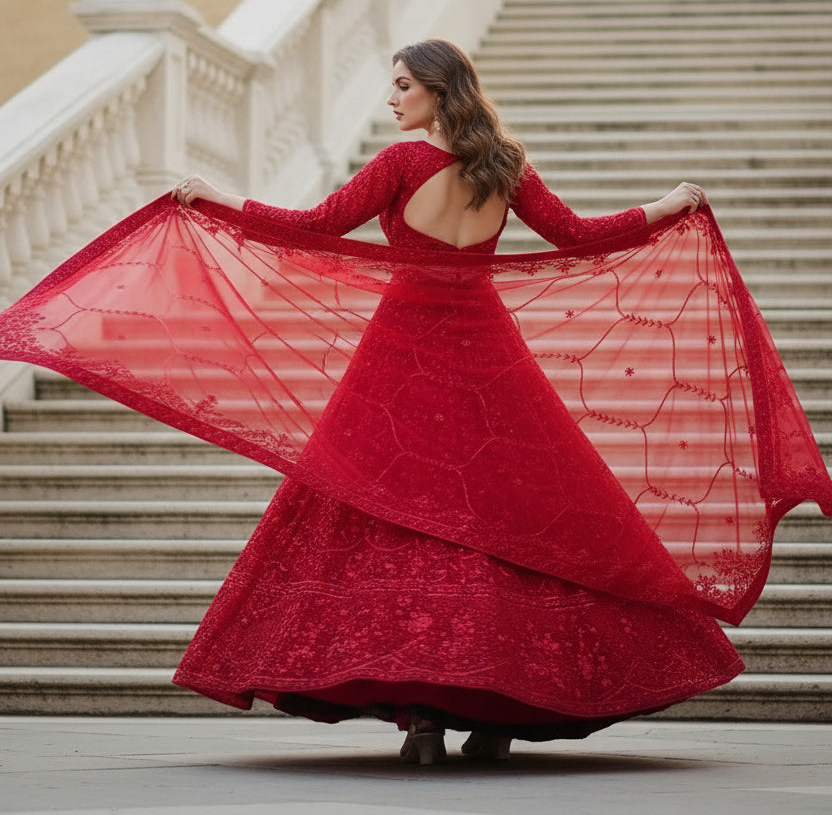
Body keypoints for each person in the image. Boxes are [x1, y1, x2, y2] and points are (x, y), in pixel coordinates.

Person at [1, 38, 830, 765]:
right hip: (488, 356)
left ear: (439, 90)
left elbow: (316, 225)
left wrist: (216, 198)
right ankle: (497, 721)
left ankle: (426, 718)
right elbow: (578, 236)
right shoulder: (506, 165)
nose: (392, 98)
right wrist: (665, 207)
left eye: (403, 85)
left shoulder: (401, 164)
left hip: (403, 356)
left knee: (389, 513)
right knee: (509, 515)